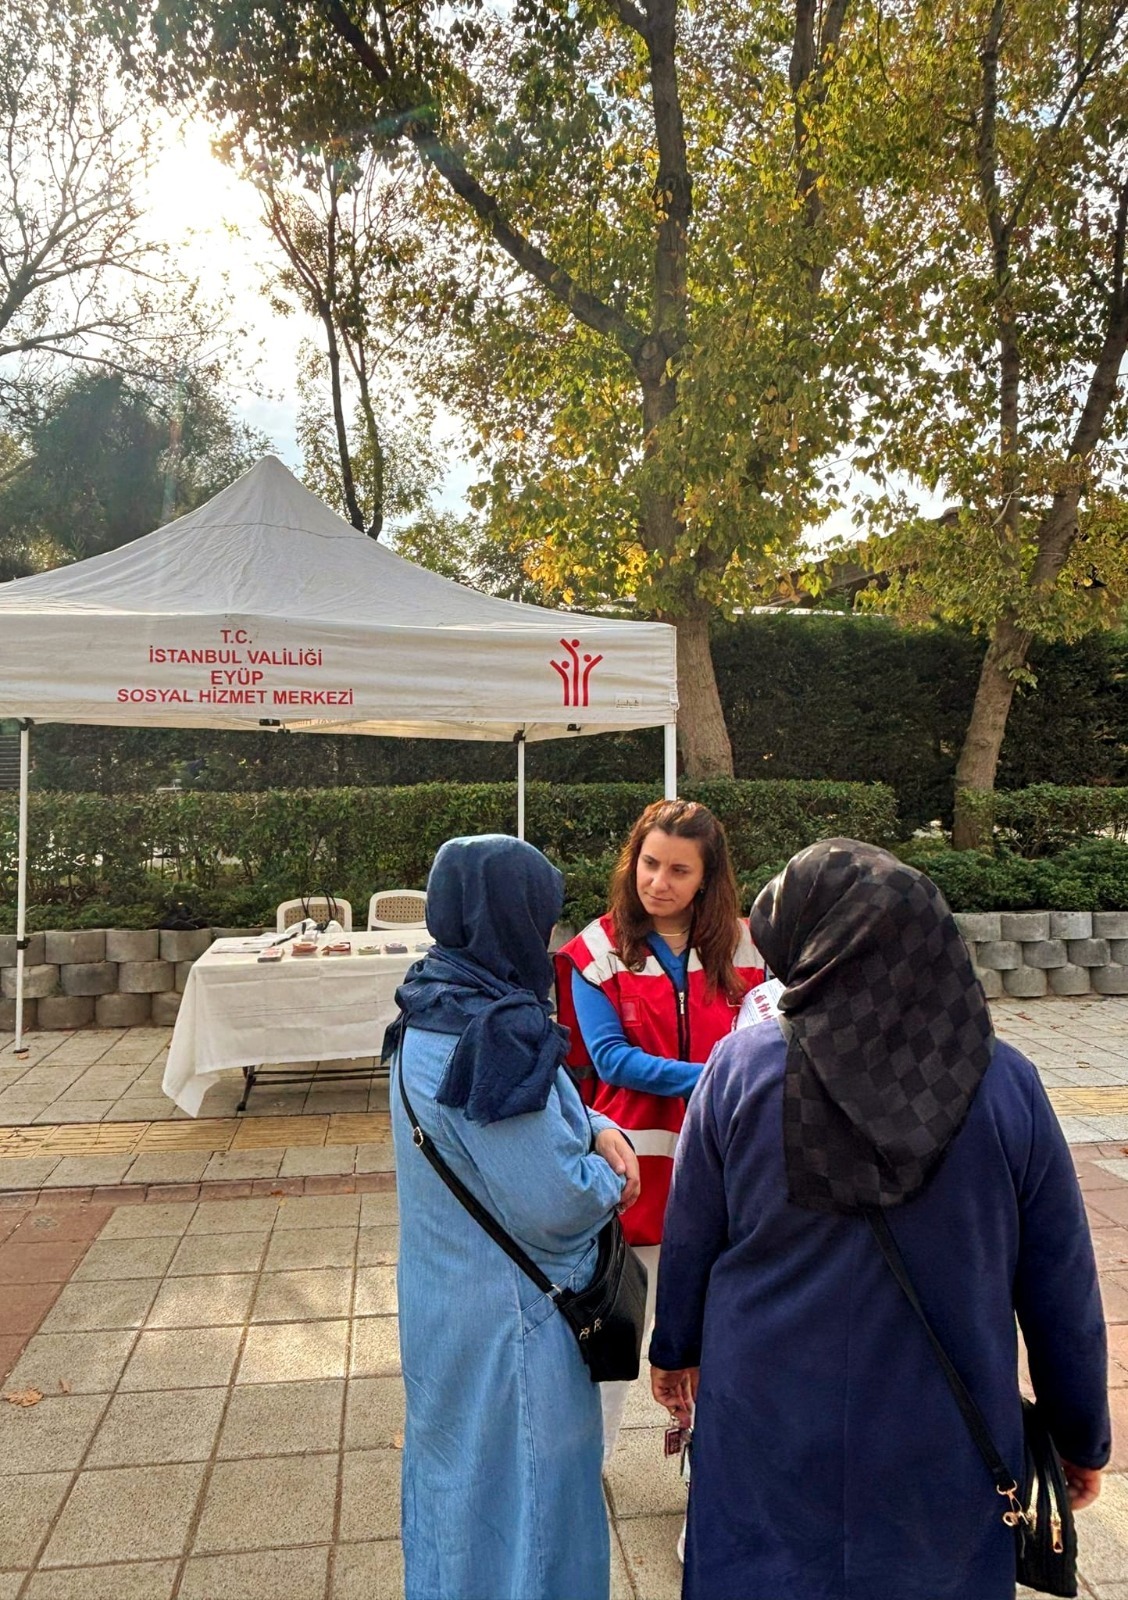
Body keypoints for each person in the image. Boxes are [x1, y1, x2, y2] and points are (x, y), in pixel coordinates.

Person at [650, 838, 1110, 1600]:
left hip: (769, 1428)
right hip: (941, 1446)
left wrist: (675, 1352)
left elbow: (691, 1238)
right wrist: (1080, 1432)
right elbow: (1061, 1283)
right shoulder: (1005, 1086)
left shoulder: (741, 1072)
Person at [389, 834, 641, 1600]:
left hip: (444, 1303)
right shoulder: (497, 1033)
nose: (550, 933)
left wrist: (591, 1121)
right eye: (542, 915)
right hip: (517, 1325)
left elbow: (495, 1123)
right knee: (528, 1508)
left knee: (455, 1487)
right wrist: (611, 1175)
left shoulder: (430, 1002)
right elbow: (555, 1203)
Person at [555, 798, 764, 1459]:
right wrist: (724, 1075)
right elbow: (610, 1058)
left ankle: (715, 1470)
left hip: (727, 1170)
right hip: (632, 1177)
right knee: (617, 1329)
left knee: (719, 1336)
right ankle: (588, 1466)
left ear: (707, 878)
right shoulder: (597, 949)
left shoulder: (750, 945)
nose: (658, 882)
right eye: (649, 864)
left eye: (679, 870)